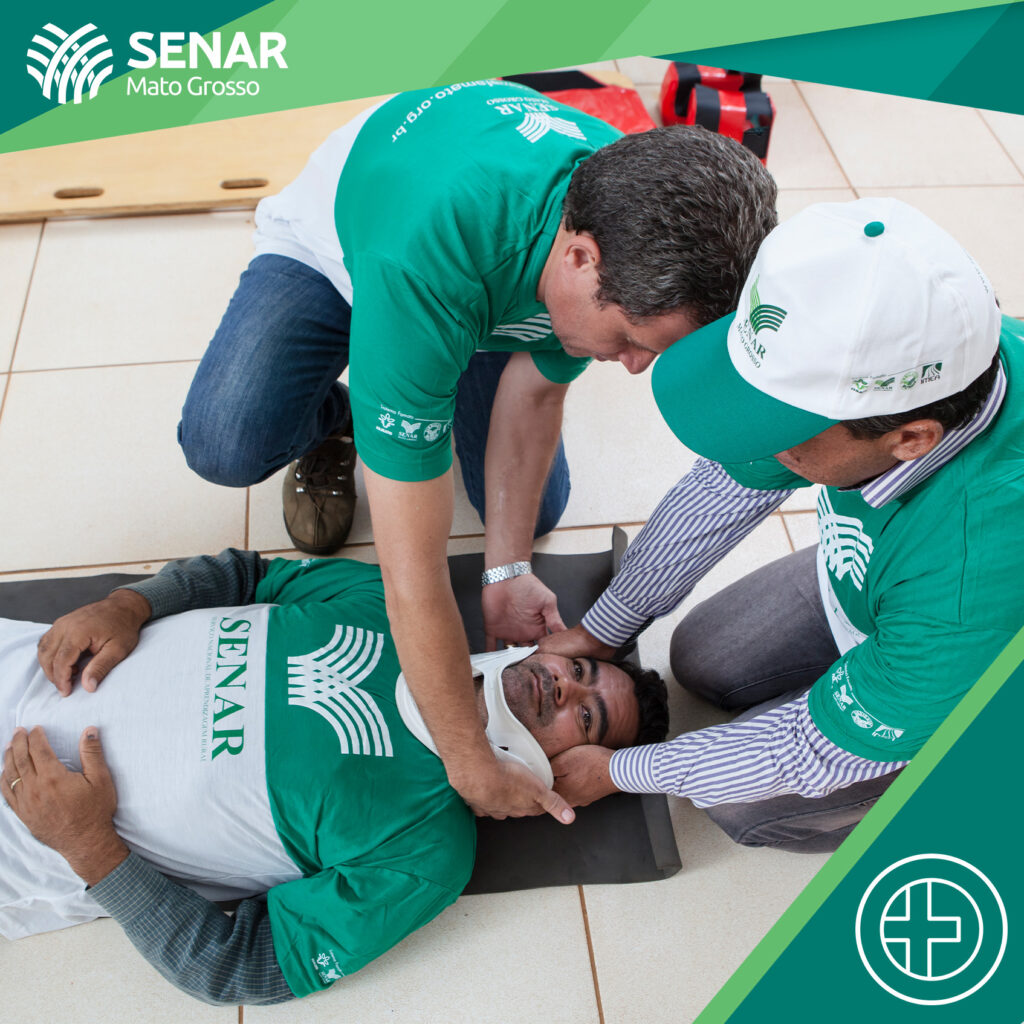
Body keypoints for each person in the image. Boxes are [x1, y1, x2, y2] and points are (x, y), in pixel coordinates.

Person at [177, 79, 777, 824]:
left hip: (483, 279)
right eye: (628, 341)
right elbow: (410, 575)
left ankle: (413, 388)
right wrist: (468, 760)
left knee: (536, 510)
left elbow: (537, 393)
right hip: (357, 244)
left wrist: (506, 569)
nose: (632, 367)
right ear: (580, 258)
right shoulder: (429, 259)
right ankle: (354, 415)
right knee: (228, 443)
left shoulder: (636, 221)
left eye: (651, 348)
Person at [540, 198, 1024, 852]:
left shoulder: (970, 581)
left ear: (912, 438)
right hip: (896, 588)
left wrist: (618, 771)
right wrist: (603, 628)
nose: (764, 446)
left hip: (972, 652)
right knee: (702, 658)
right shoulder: (933, 356)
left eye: (785, 432)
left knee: (746, 807)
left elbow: (809, 746)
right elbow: (723, 487)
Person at [0, 549, 668, 1004]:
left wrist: (90, 846)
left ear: (563, 772)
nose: (563, 688)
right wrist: (130, 604)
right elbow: (243, 574)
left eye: (587, 717)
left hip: (21, 834)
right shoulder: (390, 600)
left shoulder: (425, 850)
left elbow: (242, 968)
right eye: (576, 669)